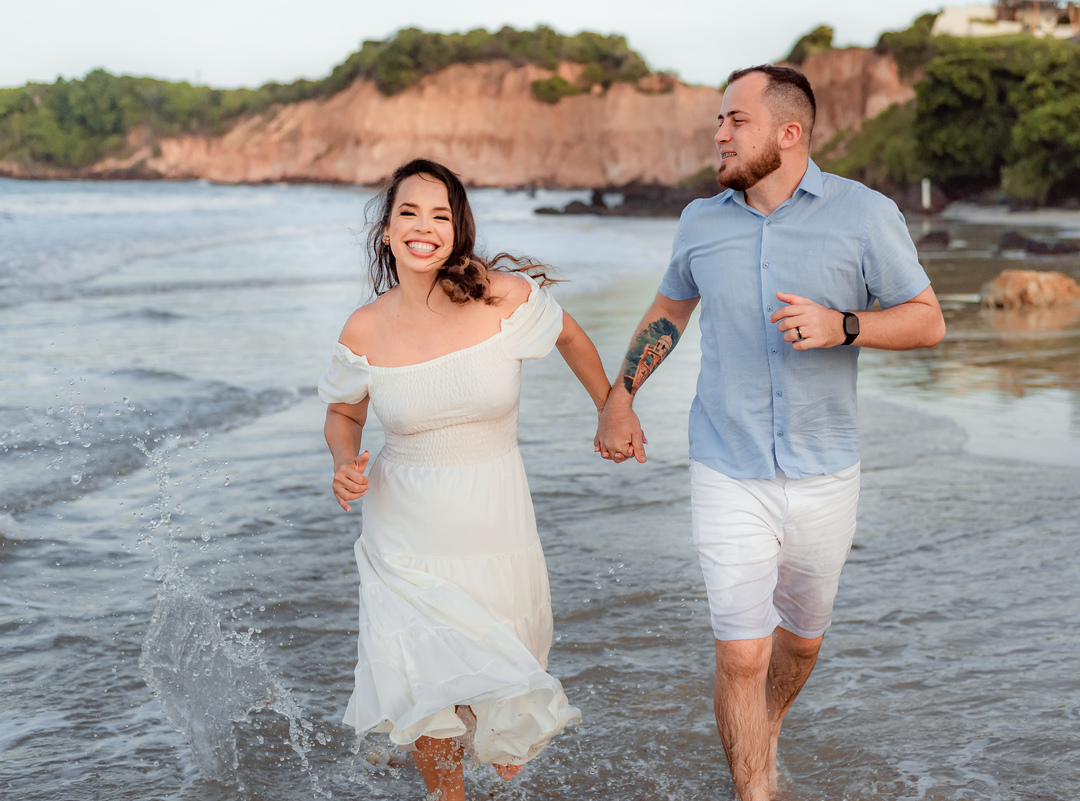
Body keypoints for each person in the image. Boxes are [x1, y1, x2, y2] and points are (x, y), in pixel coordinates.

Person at [595, 65, 945, 800]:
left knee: (801, 639)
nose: (719, 134)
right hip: (727, 464)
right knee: (743, 651)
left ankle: (768, 722)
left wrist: (843, 325)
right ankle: (755, 787)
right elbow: (668, 314)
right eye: (719, 121)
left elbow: (927, 320)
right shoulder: (701, 221)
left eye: (735, 121)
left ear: (789, 133)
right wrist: (619, 396)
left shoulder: (865, 214)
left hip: (825, 470)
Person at [319, 159, 610, 800]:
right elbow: (343, 414)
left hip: (494, 513)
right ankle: (446, 795)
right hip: (404, 522)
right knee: (423, 674)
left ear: (458, 231)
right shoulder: (363, 328)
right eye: (409, 213)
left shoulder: (500, 296)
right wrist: (344, 462)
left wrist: (611, 405)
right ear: (388, 230)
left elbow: (570, 337)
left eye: (441, 215)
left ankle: (481, 744)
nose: (425, 227)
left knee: (503, 675)